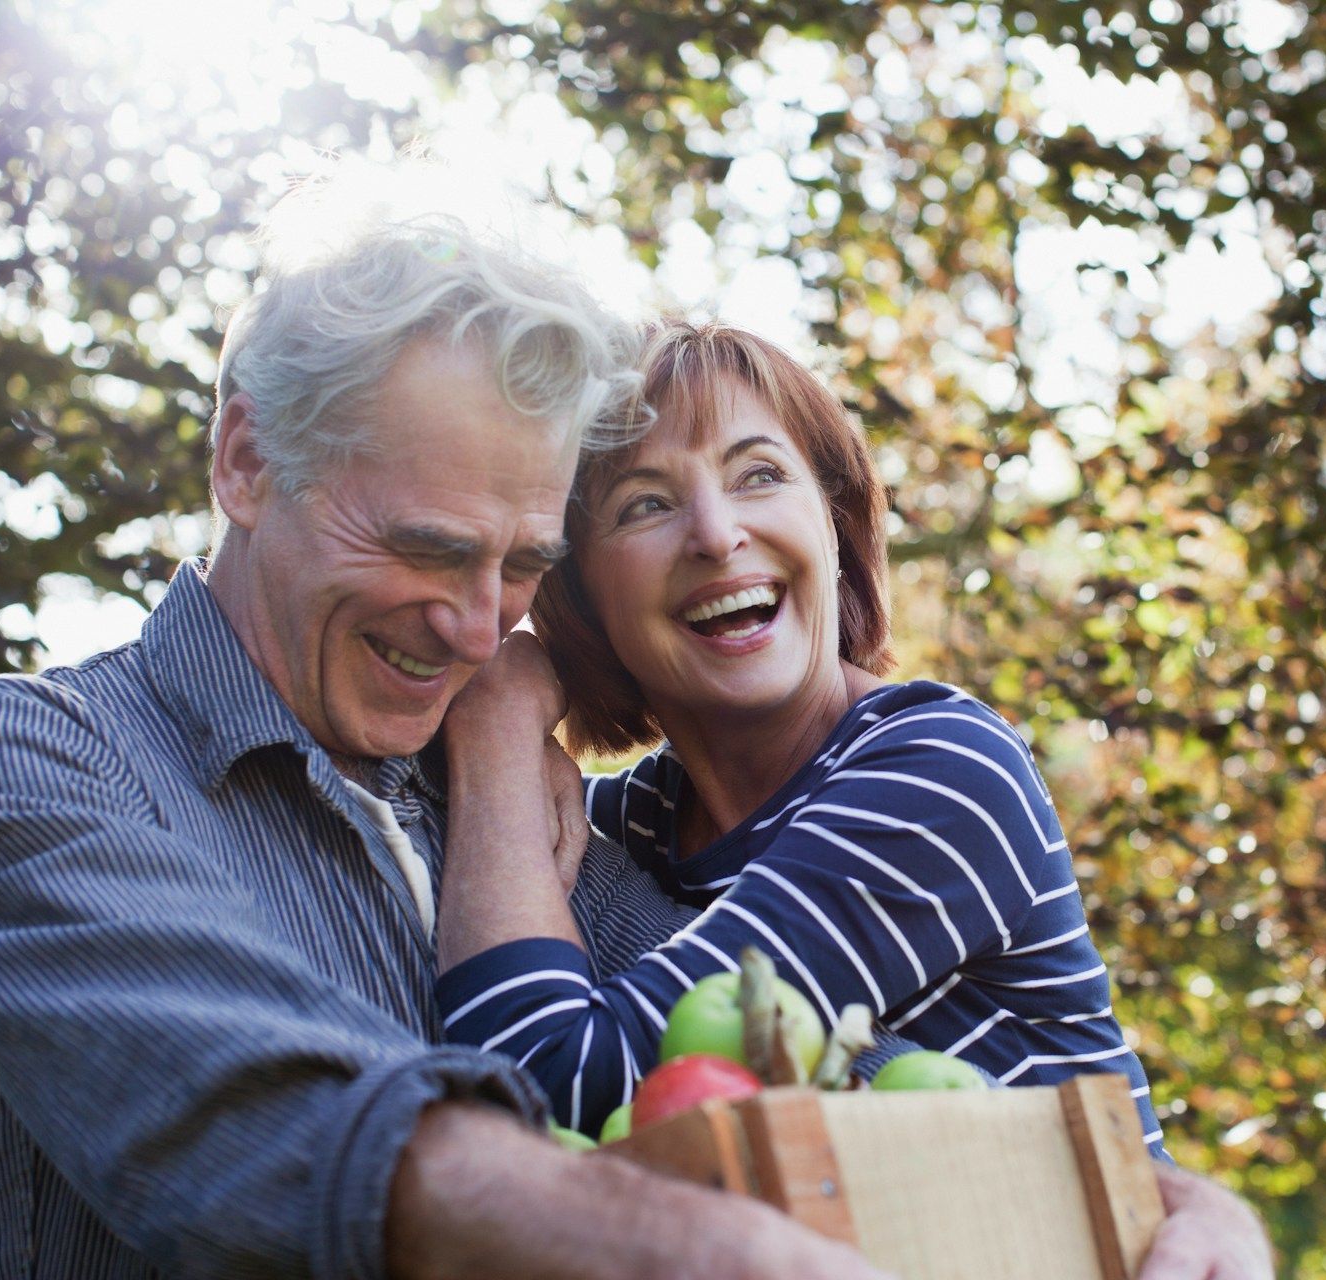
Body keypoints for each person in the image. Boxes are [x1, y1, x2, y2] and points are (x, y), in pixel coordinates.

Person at [0, 174, 890, 1279]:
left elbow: (799, 1053)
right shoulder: (30, 768)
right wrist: (701, 1250)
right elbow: (274, 1124)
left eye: (521, 566)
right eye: (427, 546)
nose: (476, 631)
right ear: (247, 462)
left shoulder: (498, 802)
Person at [431, 321, 1274, 1278]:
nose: (715, 534)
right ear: (580, 594)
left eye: (758, 475)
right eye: (644, 505)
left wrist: (499, 726)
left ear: (833, 523)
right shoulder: (624, 828)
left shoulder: (941, 774)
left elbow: (547, 1084)